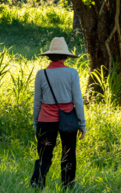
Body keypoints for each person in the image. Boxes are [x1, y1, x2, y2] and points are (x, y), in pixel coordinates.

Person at [30, 37, 87, 189]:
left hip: (45, 120)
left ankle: (37, 183)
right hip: (68, 119)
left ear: (49, 56)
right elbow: (78, 101)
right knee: (68, 153)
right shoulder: (72, 73)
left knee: (44, 154)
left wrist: (36, 123)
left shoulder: (41, 74)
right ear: (66, 56)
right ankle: (68, 185)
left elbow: (37, 103)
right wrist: (82, 123)